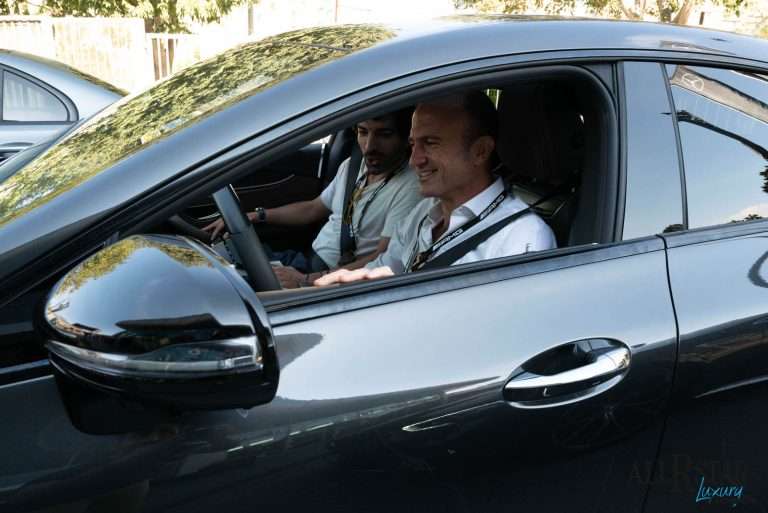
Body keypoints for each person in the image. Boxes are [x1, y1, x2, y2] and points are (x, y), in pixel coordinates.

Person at [315, 91, 556, 287]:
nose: (414, 160)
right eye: (413, 144)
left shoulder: (522, 238)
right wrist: (322, 286)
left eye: (430, 143)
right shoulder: (425, 212)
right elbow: (388, 268)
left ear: (480, 151)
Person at [204, 108, 422, 288]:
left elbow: (381, 258)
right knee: (218, 260)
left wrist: (306, 280)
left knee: (225, 285)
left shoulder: (410, 186)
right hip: (306, 261)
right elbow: (313, 209)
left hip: (328, 277)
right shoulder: (353, 166)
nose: (369, 146)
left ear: (407, 140)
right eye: (363, 132)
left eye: (384, 135)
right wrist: (255, 216)